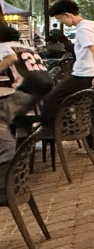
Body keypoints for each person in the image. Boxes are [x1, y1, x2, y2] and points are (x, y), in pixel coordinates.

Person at [40, 0, 94, 155]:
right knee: (92, 108)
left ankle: (54, 132)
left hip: (83, 75)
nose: (62, 23)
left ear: (68, 15)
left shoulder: (83, 28)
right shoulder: (93, 25)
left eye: (60, 19)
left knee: (52, 99)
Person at [0, 22, 53, 162]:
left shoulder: (3, 47)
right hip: (43, 90)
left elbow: (10, 58)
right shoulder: (27, 48)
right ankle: (22, 143)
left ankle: (9, 155)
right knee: (14, 115)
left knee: (1, 118)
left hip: (26, 90)